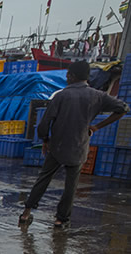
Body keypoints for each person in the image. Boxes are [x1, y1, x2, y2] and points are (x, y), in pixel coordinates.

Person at [19, 61, 128, 228]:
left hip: (57, 145)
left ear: (71, 76)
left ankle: (26, 214)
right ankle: (60, 219)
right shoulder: (97, 95)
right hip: (79, 146)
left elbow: (44, 123)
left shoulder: (61, 96)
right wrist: (97, 127)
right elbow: (122, 108)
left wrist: (45, 140)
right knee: (71, 186)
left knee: (43, 179)